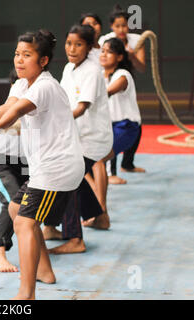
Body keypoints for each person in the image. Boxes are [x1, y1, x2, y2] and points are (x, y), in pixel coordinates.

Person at [0, 30, 85, 299]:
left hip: (56, 170)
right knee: (16, 209)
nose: (19, 59)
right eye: (17, 54)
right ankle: (44, 270)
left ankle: (26, 294)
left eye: (27, 55)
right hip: (43, 169)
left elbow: (13, 114)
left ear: (44, 61)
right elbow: (6, 107)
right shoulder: (23, 84)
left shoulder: (44, 86)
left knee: (25, 223)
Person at [46, 25, 114, 248]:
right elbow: (63, 102)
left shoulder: (92, 72)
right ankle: (100, 217)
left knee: (68, 178)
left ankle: (74, 238)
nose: (72, 49)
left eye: (78, 44)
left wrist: (56, 122)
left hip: (93, 138)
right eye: (68, 43)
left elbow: (81, 107)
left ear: (89, 47)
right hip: (77, 137)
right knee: (75, 178)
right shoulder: (69, 69)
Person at [0, 70, 29, 273]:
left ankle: (50, 230)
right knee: (12, 203)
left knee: (34, 200)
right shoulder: (9, 105)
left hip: (26, 163)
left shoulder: (36, 104)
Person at [99, 5, 146, 177]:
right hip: (109, 81)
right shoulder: (105, 40)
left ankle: (126, 165)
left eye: (124, 25)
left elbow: (141, 67)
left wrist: (131, 55)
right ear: (112, 26)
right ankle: (109, 174)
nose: (121, 29)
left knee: (133, 123)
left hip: (123, 80)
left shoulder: (136, 42)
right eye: (117, 26)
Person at [100, 38, 142, 185]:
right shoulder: (98, 75)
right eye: (102, 51)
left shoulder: (123, 75)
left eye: (109, 52)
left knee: (101, 154)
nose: (104, 54)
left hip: (127, 126)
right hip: (108, 125)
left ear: (119, 57)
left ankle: (110, 175)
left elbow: (108, 92)